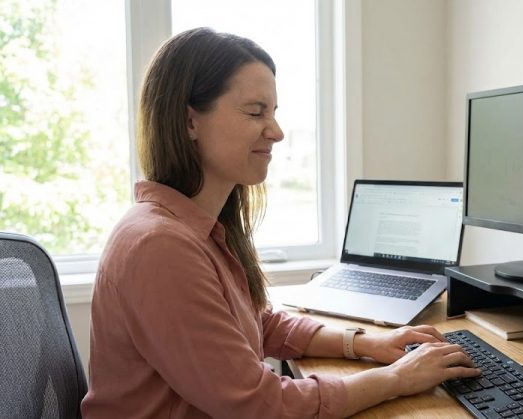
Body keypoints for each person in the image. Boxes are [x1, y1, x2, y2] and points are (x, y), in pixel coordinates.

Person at [81, 27, 479, 418]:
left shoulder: (197, 229)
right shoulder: (161, 247)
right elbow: (259, 404)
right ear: (189, 122)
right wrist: (397, 378)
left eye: (273, 113)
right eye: (256, 112)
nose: (277, 132)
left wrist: (366, 344)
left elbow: (260, 324)